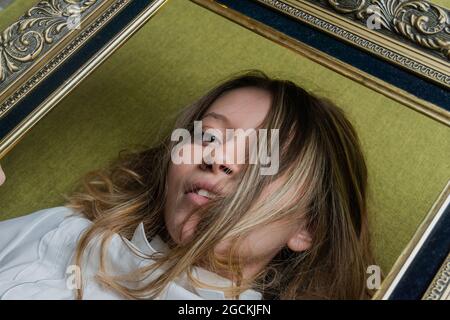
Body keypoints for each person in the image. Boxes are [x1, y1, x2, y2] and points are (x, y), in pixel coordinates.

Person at [0, 70, 375, 299]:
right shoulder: (63, 234)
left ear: (308, 227)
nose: (218, 158)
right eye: (209, 137)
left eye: (265, 154)